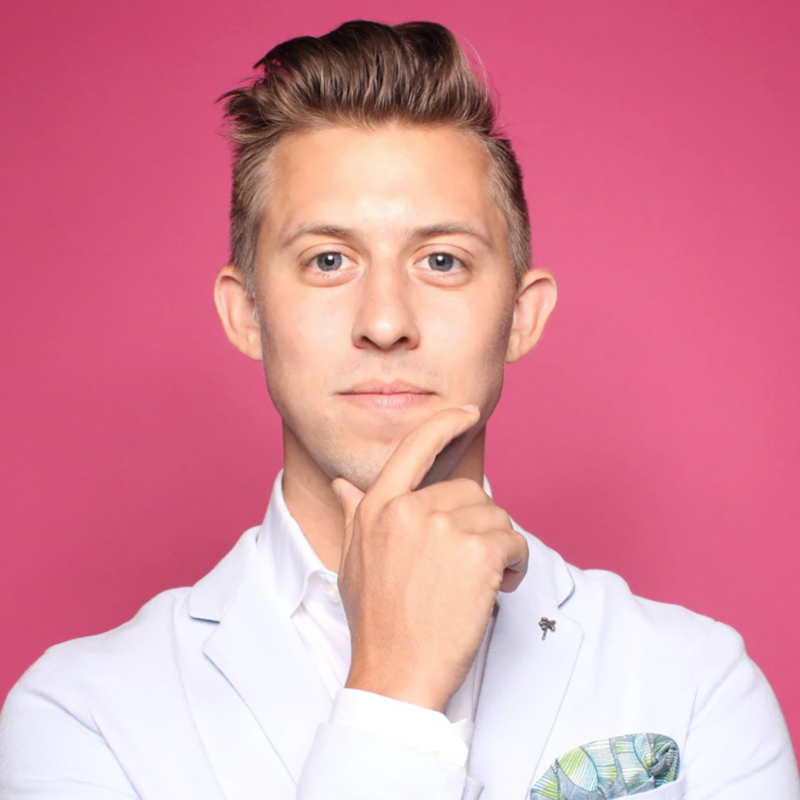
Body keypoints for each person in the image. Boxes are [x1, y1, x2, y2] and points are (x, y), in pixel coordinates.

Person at [0, 19, 797, 800]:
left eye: (442, 260)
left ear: (521, 317)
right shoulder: (82, 718)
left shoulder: (699, 688)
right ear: (247, 314)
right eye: (329, 260)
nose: (385, 322)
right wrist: (394, 693)